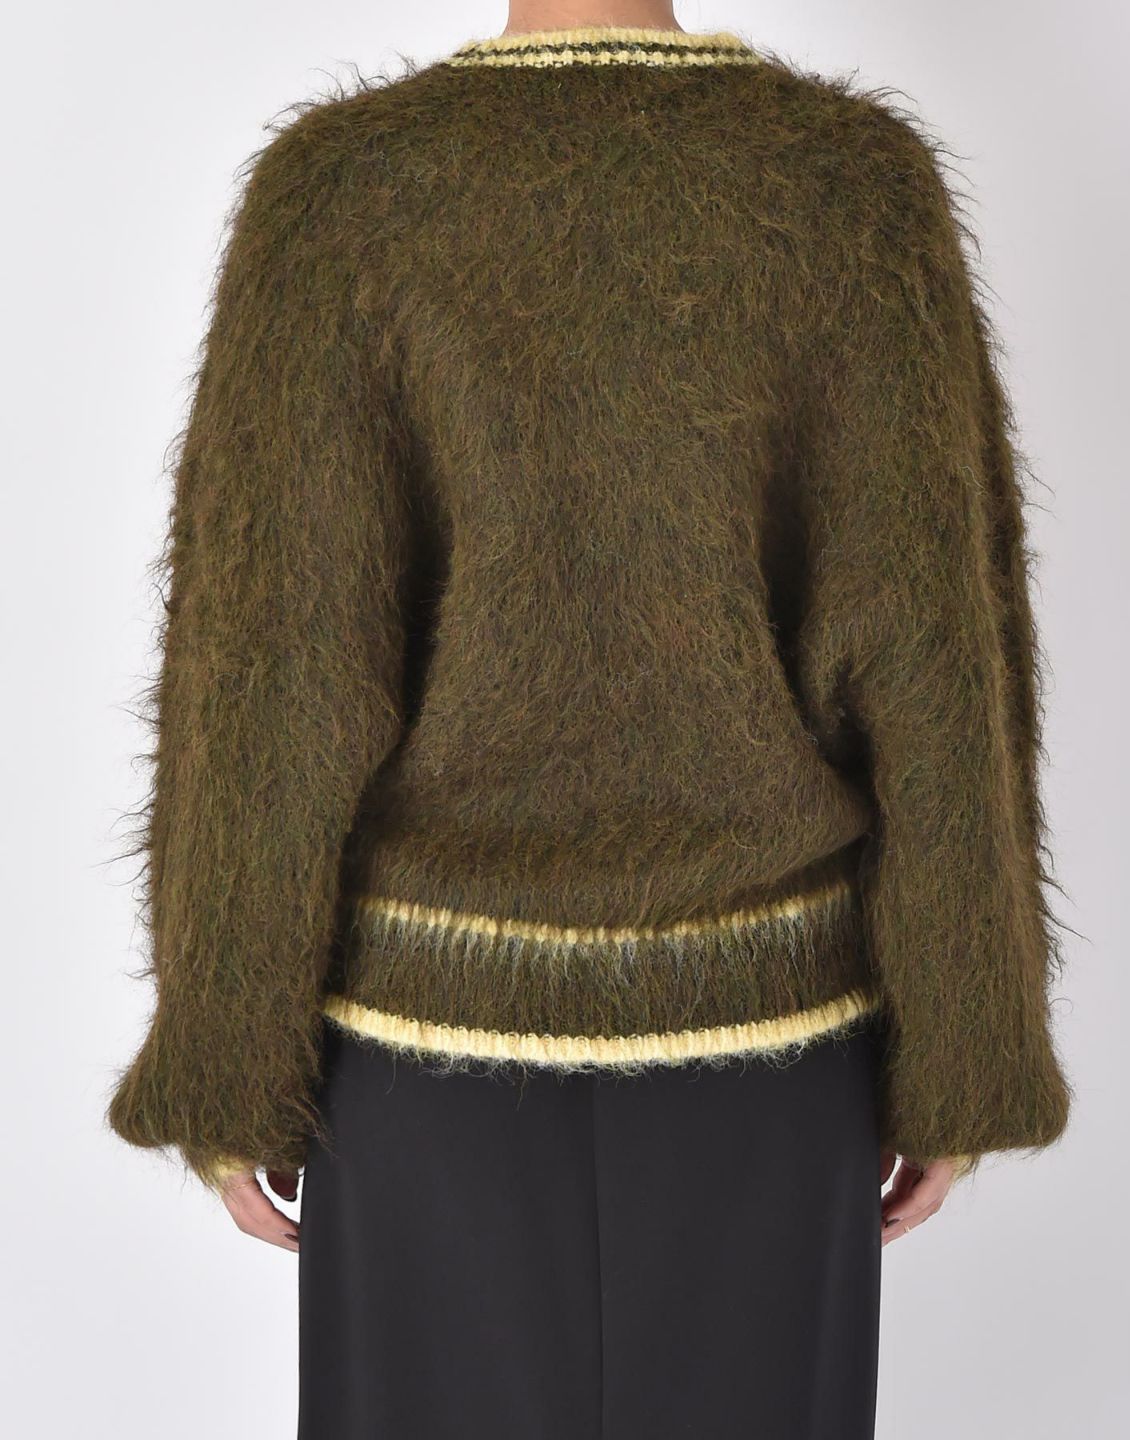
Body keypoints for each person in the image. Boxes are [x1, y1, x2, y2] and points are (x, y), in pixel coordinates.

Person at [106, 4, 1073, 1435]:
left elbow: (270, 674)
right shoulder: (851, 184)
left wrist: (227, 1061)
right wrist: (964, 1051)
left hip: (425, 1066)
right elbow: (936, 660)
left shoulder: (344, 191)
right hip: (767, 1059)